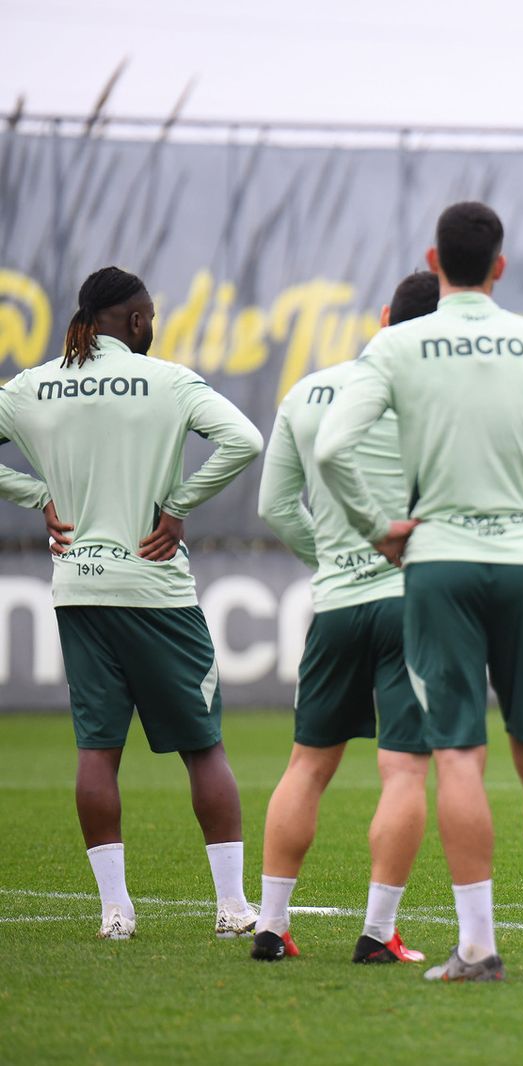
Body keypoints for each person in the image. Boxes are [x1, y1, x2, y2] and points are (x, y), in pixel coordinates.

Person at [316, 202, 523, 983]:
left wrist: (379, 528)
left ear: (436, 260)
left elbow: (332, 447)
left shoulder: (396, 345)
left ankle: (477, 948)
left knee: (458, 756)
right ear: (500, 265)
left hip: (439, 563)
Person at [0, 266, 264, 941]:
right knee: (203, 749)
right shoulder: (169, 380)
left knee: (97, 750)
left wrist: (37, 497)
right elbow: (245, 441)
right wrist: (178, 507)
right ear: (138, 320)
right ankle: (233, 908)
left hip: (79, 587)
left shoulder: (33, 385)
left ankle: (115, 911)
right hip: (156, 590)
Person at [250, 271, 440, 965]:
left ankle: (270, 927)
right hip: (412, 601)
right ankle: (377, 933)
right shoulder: (436, 395)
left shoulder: (306, 392)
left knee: (305, 766)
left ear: (384, 315)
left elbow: (275, 506)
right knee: (404, 773)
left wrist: (329, 558)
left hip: (335, 605)